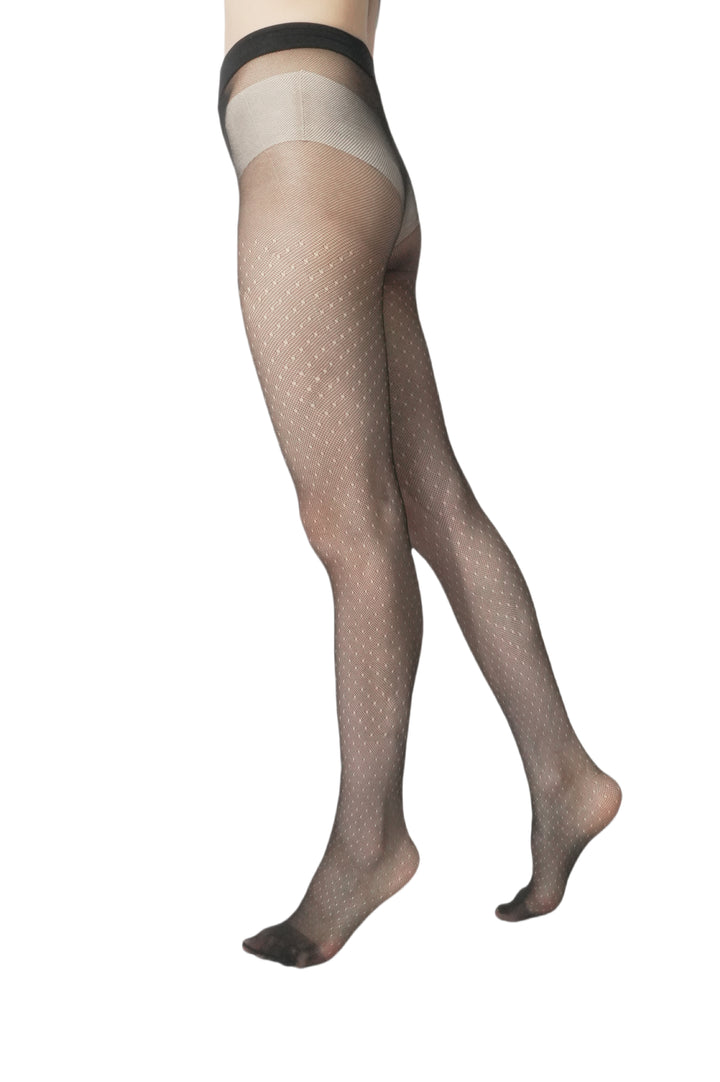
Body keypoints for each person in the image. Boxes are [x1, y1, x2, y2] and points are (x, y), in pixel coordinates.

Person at [217, 0, 622, 968]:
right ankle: (563, 774)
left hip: (298, 153)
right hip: (360, 148)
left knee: (349, 527)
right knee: (436, 507)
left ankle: (370, 842)